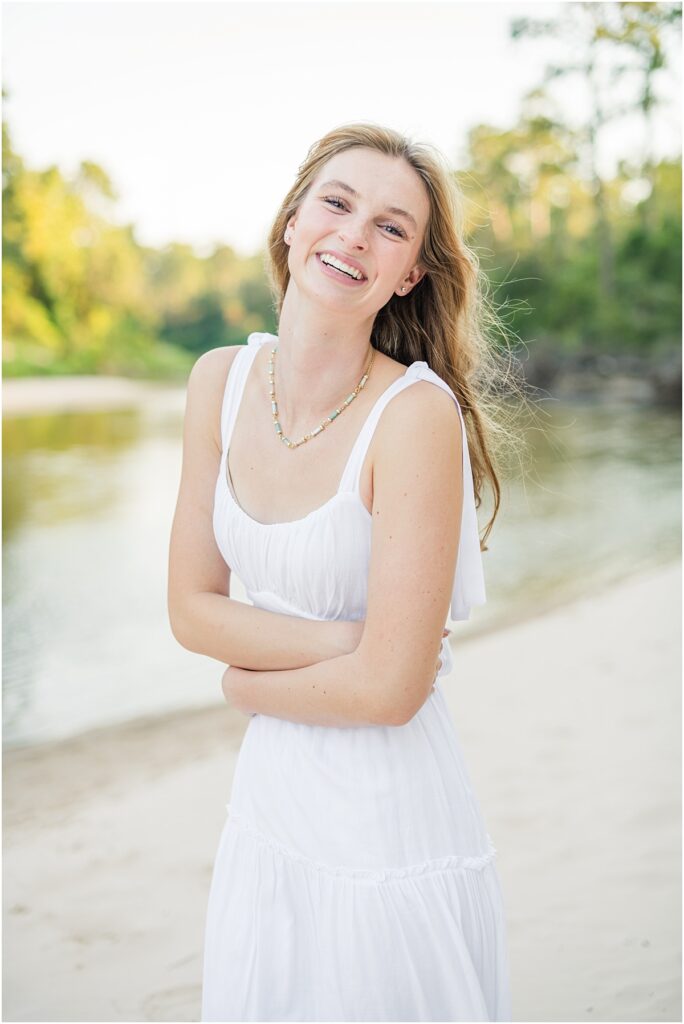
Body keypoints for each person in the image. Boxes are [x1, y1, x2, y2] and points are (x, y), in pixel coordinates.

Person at [168, 121, 513, 1021]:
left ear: (411, 274)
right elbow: (190, 610)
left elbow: (394, 693)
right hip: (272, 802)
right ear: (292, 221)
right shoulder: (218, 382)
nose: (354, 235)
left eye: (392, 227)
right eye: (337, 202)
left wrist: (244, 684)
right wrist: (347, 644)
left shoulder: (413, 417)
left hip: (387, 816)